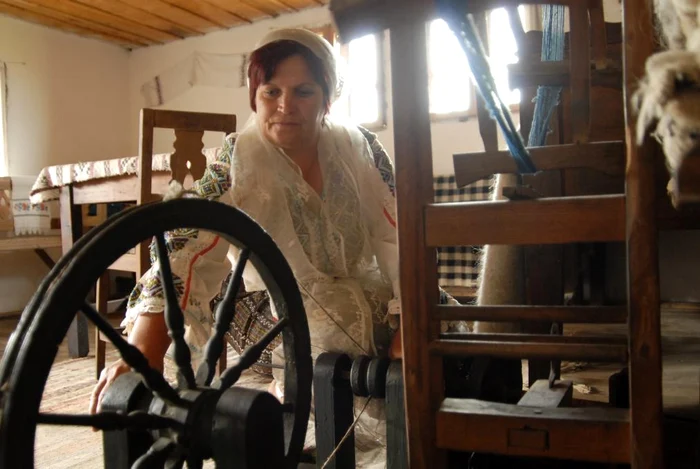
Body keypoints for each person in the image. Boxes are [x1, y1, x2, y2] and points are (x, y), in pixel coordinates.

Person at [90, 27, 462, 467]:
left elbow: (402, 234)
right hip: (272, 305)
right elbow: (184, 249)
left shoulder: (362, 148)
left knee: (443, 322)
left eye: (303, 91)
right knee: (338, 340)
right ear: (255, 97)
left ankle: (444, 431)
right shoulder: (236, 159)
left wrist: (409, 326)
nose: (286, 106)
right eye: (271, 91)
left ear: (328, 97)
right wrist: (141, 354)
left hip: (370, 289)